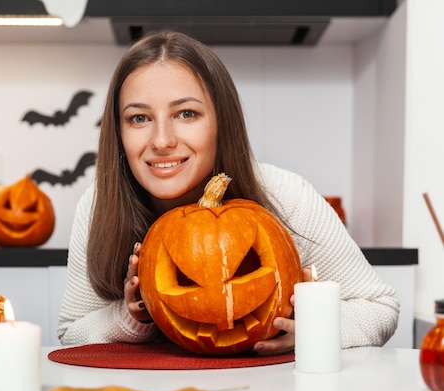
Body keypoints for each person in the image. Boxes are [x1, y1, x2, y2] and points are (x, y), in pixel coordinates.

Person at [57, 30, 399, 356]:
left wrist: (314, 325)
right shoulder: (101, 202)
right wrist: (133, 315)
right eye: (139, 118)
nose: (161, 141)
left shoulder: (286, 195)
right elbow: (71, 330)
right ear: (119, 132)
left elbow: (379, 308)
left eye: (186, 113)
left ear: (222, 121)